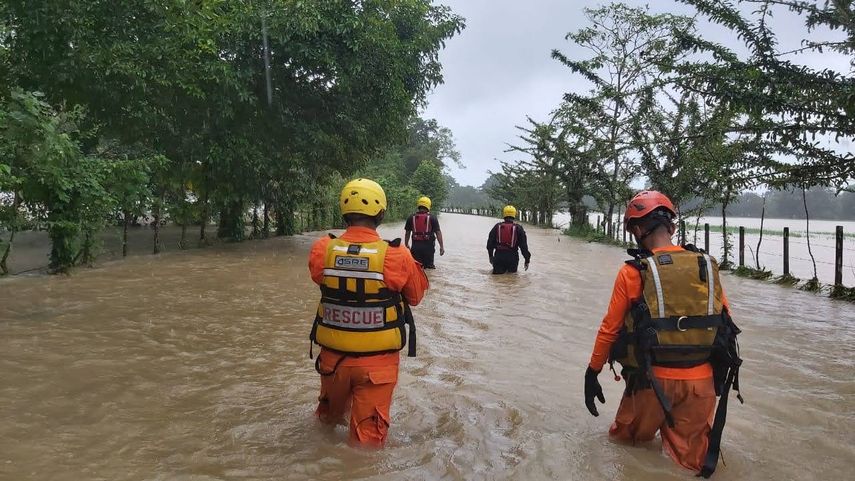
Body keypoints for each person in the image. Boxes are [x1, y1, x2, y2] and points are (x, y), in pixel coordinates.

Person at [583, 191, 742, 478]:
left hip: (650, 382)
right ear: (672, 226)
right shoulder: (705, 266)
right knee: (688, 465)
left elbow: (610, 329)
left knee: (626, 449)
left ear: (637, 230)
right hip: (701, 384)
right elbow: (725, 321)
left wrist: (592, 372)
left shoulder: (633, 272)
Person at [308, 178, 429, 448]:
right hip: (377, 367)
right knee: (367, 445)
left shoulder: (322, 248)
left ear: (343, 212)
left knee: (326, 424)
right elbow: (416, 297)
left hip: (332, 361)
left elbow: (320, 278)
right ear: (381, 213)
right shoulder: (397, 255)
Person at [486, 205, 532, 274]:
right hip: (513, 258)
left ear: (504, 214)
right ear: (514, 215)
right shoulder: (519, 228)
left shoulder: (497, 226)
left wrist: (490, 256)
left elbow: (490, 244)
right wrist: (527, 260)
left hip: (499, 256)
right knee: (511, 278)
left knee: (496, 278)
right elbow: (524, 247)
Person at [404, 196, 445, 269]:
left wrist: (406, 244)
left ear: (418, 205)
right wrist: (441, 247)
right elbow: (438, 233)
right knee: (429, 269)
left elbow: (407, 233)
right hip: (428, 249)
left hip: (415, 248)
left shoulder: (411, 217)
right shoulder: (433, 218)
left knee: (417, 268)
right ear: (428, 206)